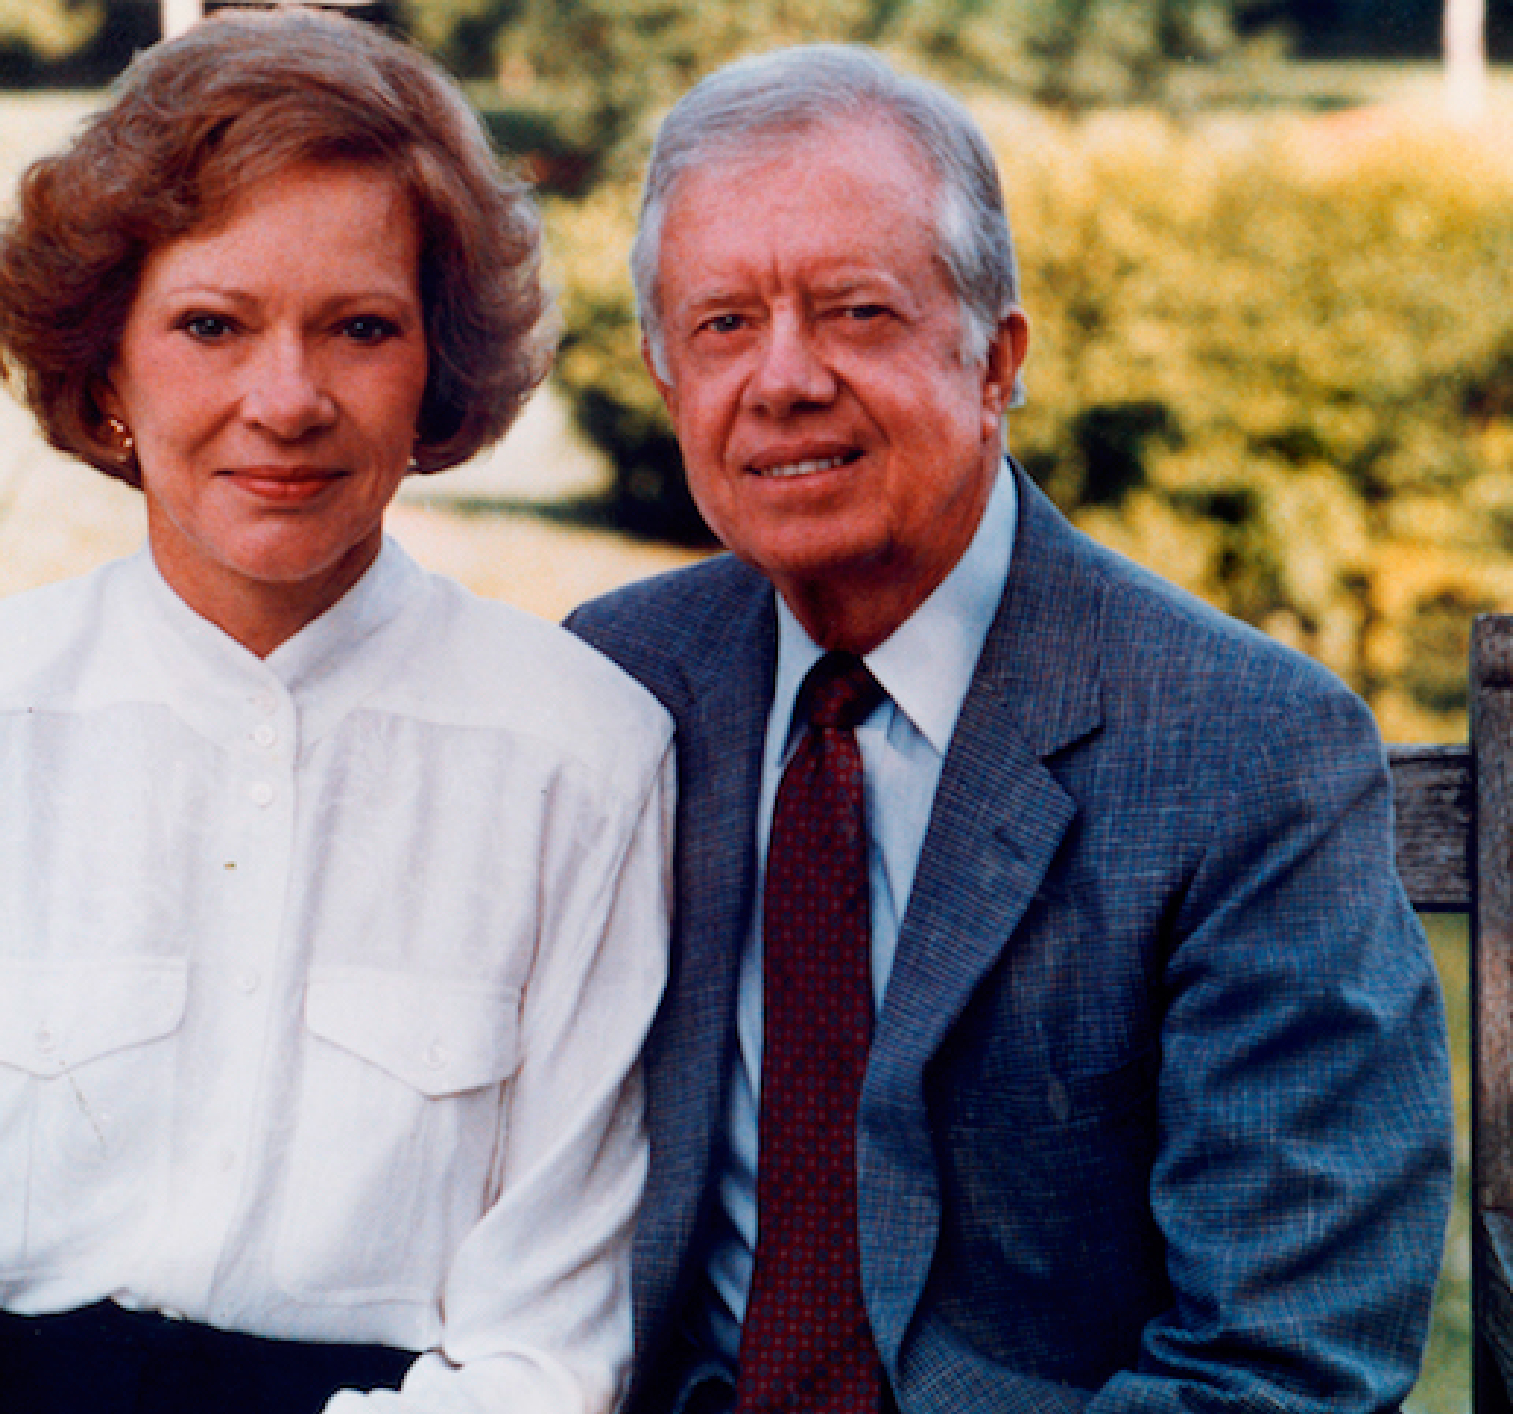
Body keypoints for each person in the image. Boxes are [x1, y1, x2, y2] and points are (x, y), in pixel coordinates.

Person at [0, 13, 673, 1414]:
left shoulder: (580, 760)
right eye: (211, 325)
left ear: (437, 370)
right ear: (106, 369)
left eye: (361, 329)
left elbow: (545, 1345)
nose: (286, 400)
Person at [567, 43, 1454, 1414]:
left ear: (995, 359)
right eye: (723, 325)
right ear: (664, 375)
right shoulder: (619, 685)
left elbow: (1284, 1359)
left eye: (856, 312)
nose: (782, 377)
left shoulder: (1246, 751)